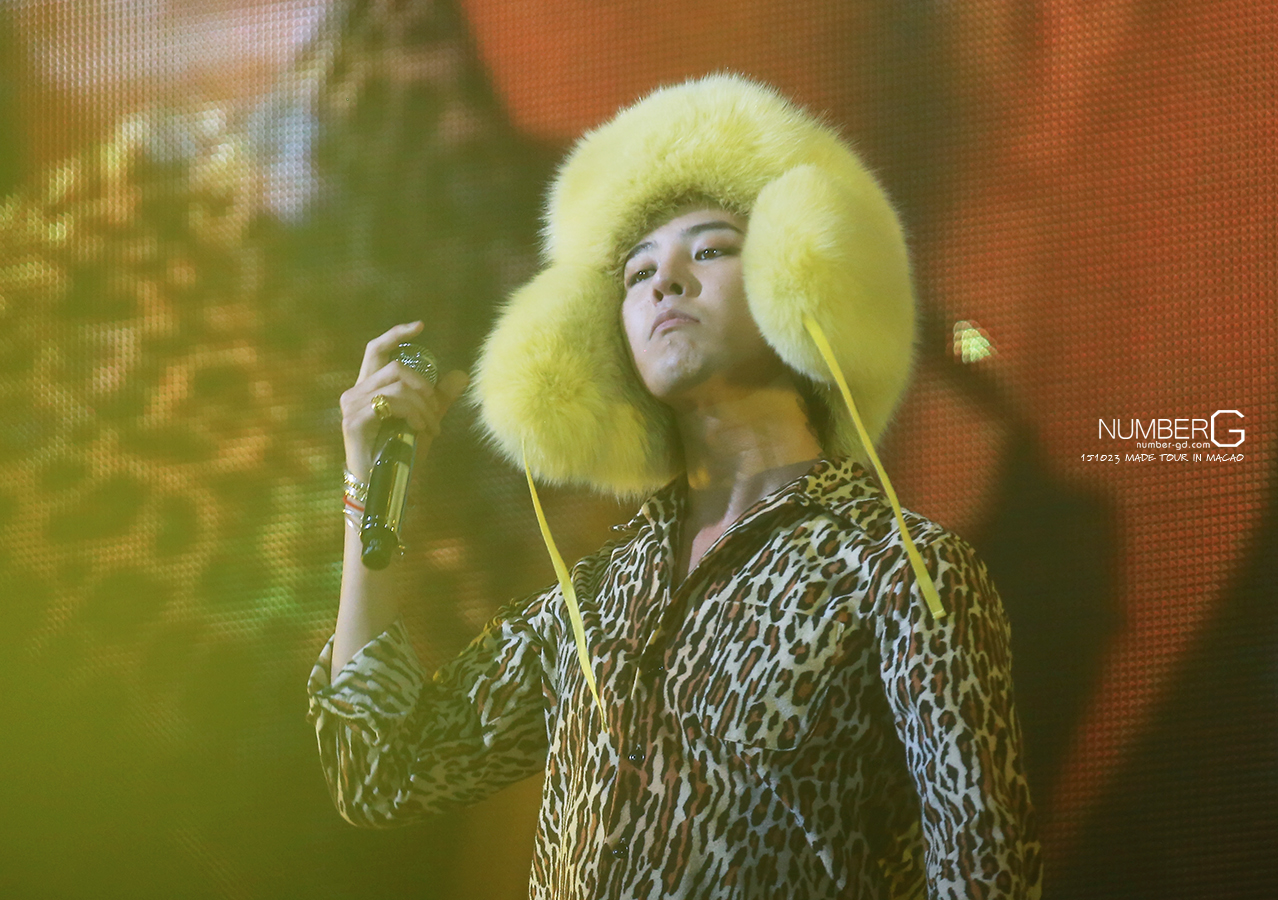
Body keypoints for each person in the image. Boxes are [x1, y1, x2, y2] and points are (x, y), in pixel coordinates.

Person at [309, 74, 1042, 899]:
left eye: (711, 249)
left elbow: (987, 876)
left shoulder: (901, 573)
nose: (664, 281)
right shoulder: (595, 601)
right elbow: (381, 773)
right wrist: (369, 485)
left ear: (797, 274)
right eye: (637, 271)